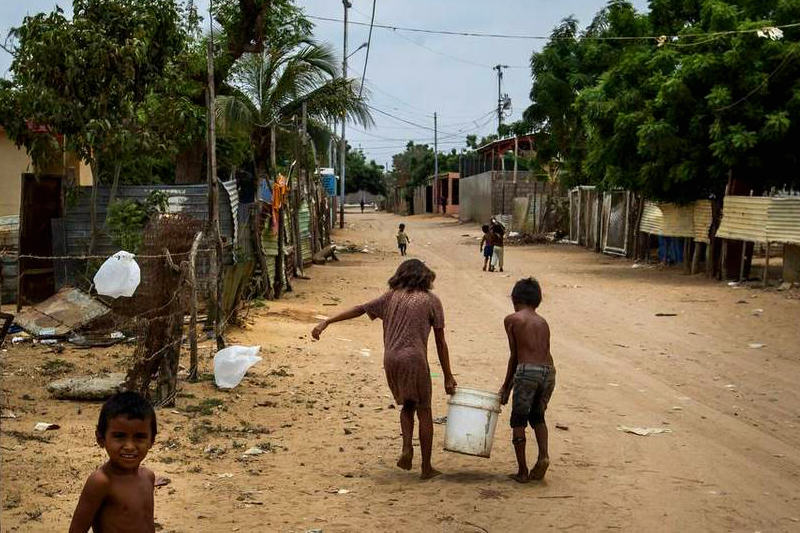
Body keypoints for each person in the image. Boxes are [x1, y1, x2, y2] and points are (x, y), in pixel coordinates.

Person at [312, 259, 457, 479]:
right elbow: (440, 342)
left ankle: (407, 447)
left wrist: (328, 322)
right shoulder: (431, 300)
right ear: (425, 276)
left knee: (407, 405)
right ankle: (426, 467)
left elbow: (359, 309)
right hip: (415, 359)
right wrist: (448, 375)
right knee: (424, 410)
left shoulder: (390, 297)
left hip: (391, 360)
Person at [70, 391, 157, 533]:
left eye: (139, 437)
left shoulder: (148, 477)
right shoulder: (101, 482)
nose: (129, 446)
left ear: (151, 440)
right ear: (101, 438)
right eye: (119, 436)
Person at [498, 277, 555, 483]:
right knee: (538, 416)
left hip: (527, 372)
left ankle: (522, 470)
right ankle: (543, 455)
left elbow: (515, 356)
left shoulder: (512, 320)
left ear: (515, 299)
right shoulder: (543, 322)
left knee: (518, 420)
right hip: (549, 372)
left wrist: (506, 387)